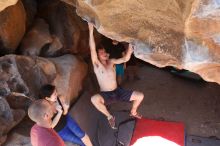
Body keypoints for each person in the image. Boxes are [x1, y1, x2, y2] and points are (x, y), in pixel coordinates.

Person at [88, 23, 144, 129]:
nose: (104, 53)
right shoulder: (97, 65)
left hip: (118, 91)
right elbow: (92, 49)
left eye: (104, 51)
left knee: (140, 96)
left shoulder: (111, 61)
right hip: (106, 95)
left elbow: (124, 59)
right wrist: (90, 30)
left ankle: (133, 111)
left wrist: (130, 48)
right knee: (94, 99)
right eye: (101, 53)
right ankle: (109, 116)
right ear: (97, 56)